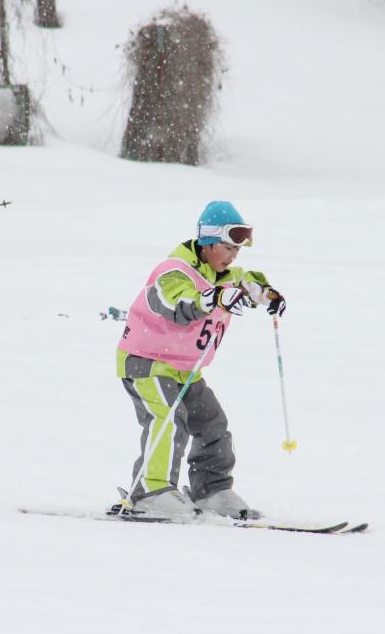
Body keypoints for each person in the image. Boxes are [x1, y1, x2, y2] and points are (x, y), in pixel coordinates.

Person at [115, 200, 287, 519]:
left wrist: (266, 294)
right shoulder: (173, 272)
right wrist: (211, 300)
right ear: (207, 242)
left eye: (237, 250)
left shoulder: (223, 274)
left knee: (211, 423)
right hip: (147, 363)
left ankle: (211, 489)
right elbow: (176, 302)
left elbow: (248, 280)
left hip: (185, 370)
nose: (233, 256)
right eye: (227, 247)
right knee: (168, 419)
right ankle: (151, 492)